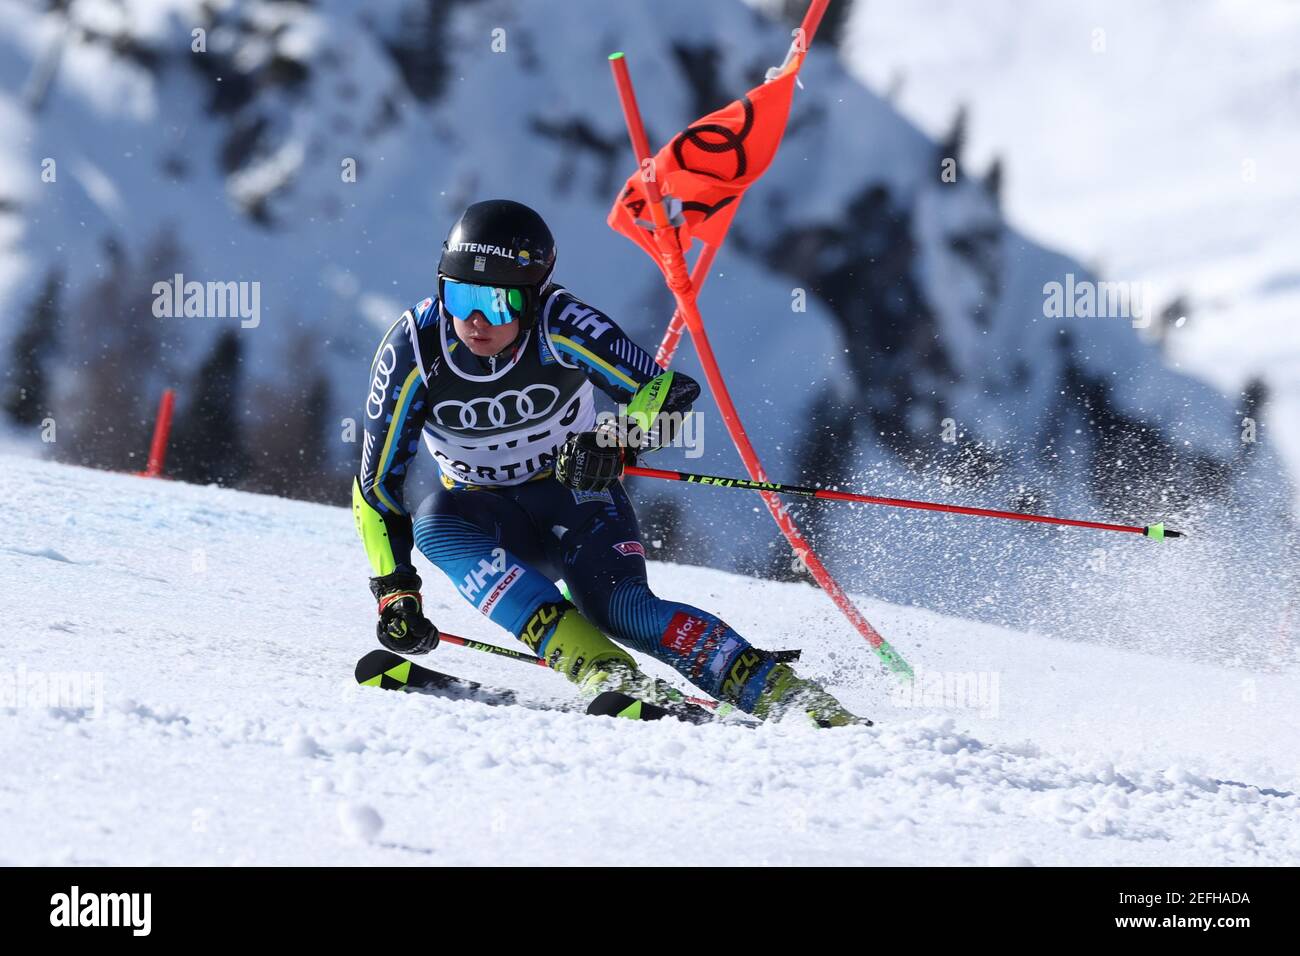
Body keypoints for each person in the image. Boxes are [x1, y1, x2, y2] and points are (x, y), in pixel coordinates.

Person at [352, 199, 865, 726]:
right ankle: (603, 671)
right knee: (437, 521)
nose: (476, 319)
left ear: (531, 299)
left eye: (499, 303)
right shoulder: (413, 350)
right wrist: (395, 591)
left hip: (575, 497)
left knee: (620, 611)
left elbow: (669, 393)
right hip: (490, 518)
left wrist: (616, 443)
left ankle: (790, 699)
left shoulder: (561, 324)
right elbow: (376, 485)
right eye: (459, 295)